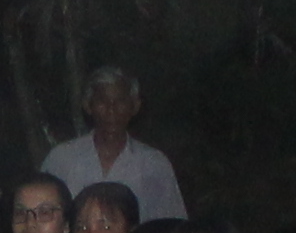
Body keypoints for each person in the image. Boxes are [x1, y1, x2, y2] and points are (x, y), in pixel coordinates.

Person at [42, 63, 188, 223]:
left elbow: (172, 227)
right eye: (102, 101)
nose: (111, 110)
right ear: (88, 106)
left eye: (120, 101)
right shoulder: (61, 159)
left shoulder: (154, 164)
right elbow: (42, 217)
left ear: (135, 106)